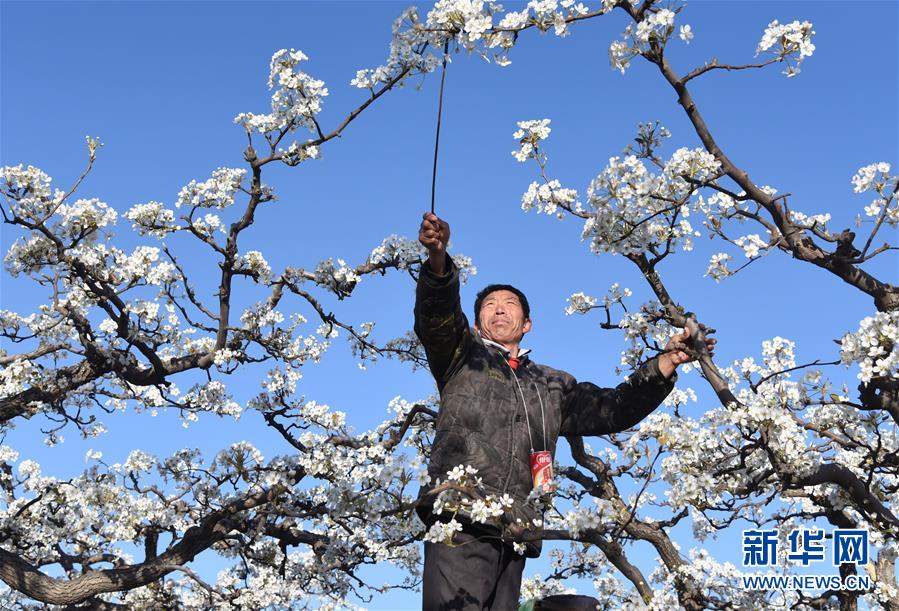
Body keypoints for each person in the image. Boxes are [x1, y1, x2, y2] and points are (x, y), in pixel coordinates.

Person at [413, 212, 717, 610]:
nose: (500, 310)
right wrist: (438, 262)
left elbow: (613, 409)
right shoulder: (461, 357)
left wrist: (668, 361)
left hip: (516, 529)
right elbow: (436, 317)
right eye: (490, 305)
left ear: (528, 324)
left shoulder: (552, 385)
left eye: (509, 304)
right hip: (460, 519)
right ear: (476, 321)